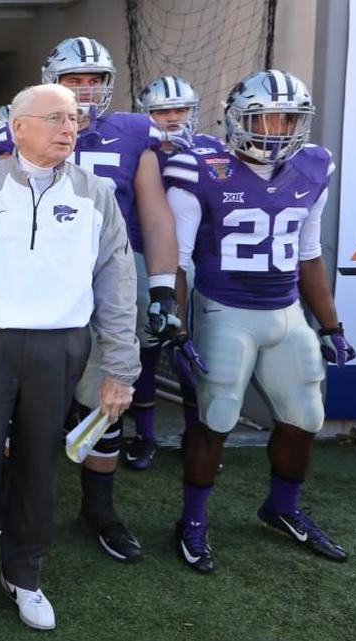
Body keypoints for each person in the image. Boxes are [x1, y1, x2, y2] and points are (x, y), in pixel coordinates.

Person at [0, 83, 138, 640]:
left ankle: (24, 576)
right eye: (57, 118)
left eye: (75, 118)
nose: (71, 127)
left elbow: (116, 281)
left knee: (40, 469)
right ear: (18, 127)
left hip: (59, 347)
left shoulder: (96, 194)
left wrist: (120, 368)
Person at [164, 70, 354, 573]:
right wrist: (177, 328)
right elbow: (179, 259)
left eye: (290, 118)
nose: (279, 128)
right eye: (267, 116)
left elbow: (308, 253)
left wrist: (331, 325)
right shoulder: (198, 167)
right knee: (218, 414)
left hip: (286, 310)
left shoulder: (314, 167)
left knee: (306, 416)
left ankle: (283, 507)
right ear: (236, 119)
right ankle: (193, 521)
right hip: (224, 309)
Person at [40, 36, 180, 561]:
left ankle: (98, 508)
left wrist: (162, 287)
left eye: (93, 79)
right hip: (43, 282)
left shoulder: (131, 132)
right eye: (73, 80)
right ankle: (17, 499)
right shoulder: (23, 124)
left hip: (108, 280)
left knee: (105, 400)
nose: (84, 89)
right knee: (29, 399)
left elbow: (156, 213)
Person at [136, 74, 223, 447]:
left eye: (180, 109)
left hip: (201, 261)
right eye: (162, 111)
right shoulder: (139, 148)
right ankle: (145, 434)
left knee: (195, 347)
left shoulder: (211, 149)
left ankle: (196, 433)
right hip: (149, 257)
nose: (172, 117)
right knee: (151, 344)